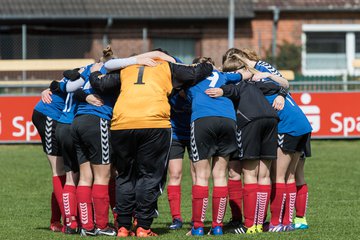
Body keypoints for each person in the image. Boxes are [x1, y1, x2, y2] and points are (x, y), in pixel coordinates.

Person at [89, 52, 213, 237]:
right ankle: (143, 227)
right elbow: (197, 73)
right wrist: (207, 65)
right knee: (150, 175)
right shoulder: (166, 66)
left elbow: (101, 83)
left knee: (125, 175)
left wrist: (94, 72)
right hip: (154, 124)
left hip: (122, 124)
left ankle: (123, 226)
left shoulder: (127, 68)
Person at [71, 47, 159, 236]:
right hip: (98, 121)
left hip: (77, 122)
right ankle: (102, 226)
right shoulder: (114, 73)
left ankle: (87, 227)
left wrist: (84, 95)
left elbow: (70, 87)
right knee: (103, 177)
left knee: (86, 177)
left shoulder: (90, 70)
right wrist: (140, 59)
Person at [223, 48, 312, 232]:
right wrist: (279, 92)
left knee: (276, 176)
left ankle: (275, 223)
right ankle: (289, 221)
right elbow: (282, 85)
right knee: (290, 175)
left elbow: (284, 83)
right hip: (301, 122)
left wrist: (278, 90)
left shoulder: (257, 72)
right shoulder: (259, 74)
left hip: (287, 124)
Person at [205, 54, 288, 234]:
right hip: (271, 120)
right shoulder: (255, 83)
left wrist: (221, 91)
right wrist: (278, 91)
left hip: (250, 121)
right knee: (264, 175)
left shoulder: (231, 82)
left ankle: (248, 224)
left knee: (249, 174)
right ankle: (258, 224)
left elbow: (233, 90)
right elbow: (279, 85)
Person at [186, 57, 244, 236]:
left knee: (202, 176)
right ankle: (217, 226)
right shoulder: (222, 75)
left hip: (203, 119)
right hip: (228, 119)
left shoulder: (190, 77)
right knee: (220, 175)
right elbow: (243, 74)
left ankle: (198, 227)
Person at [32, 82, 67, 232]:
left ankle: (62, 219)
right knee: (59, 170)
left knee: (70, 173)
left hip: (64, 120)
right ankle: (65, 221)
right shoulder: (89, 72)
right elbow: (61, 82)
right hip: (49, 115)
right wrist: (50, 89)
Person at [167, 88, 195, 230]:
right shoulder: (171, 92)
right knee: (175, 174)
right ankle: (176, 218)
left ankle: (196, 218)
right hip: (175, 136)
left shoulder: (196, 90)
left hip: (195, 134)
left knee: (197, 176)